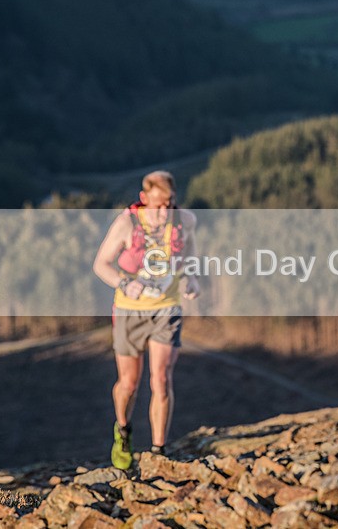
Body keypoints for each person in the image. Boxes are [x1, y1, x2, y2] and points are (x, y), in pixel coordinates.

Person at [94, 171, 200, 469]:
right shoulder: (127, 224)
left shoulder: (185, 220)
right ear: (144, 199)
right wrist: (125, 283)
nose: (164, 212)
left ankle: (159, 452)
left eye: (169, 204)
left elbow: (190, 252)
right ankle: (123, 430)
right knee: (128, 383)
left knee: (161, 379)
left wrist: (191, 278)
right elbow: (101, 264)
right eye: (157, 205)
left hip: (167, 309)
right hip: (130, 311)